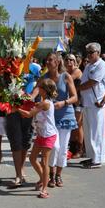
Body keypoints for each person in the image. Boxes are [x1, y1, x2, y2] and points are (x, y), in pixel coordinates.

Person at [33, 52, 77, 188]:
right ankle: (50, 174)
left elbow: (75, 97)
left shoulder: (66, 77)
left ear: (57, 62)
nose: (47, 62)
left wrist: (64, 103)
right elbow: (34, 93)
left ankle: (58, 175)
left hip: (65, 117)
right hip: (50, 120)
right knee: (54, 147)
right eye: (46, 60)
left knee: (63, 148)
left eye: (50, 60)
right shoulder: (43, 78)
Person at [17, 78, 58, 199]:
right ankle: (43, 178)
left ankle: (44, 189)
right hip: (41, 134)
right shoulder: (42, 101)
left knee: (44, 162)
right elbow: (32, 106)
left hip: (48, 135)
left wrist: (15, 109)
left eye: (39, 87)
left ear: (44, 90)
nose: (37, 89)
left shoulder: (45, 103)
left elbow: (29, 114)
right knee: (32, 158)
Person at [78, 42, 105, 169]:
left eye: (91, 52)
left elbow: (92, 82)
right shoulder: (88, 66)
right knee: (88, 131)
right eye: (88, 52)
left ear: (98, 53)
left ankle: (97, 159)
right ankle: (92, 156)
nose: (89, 55)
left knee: (96, 132)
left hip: (97, 103)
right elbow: (84, 81)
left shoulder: (102, 65)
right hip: (87, 102)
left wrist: (76, 88)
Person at [64, 53, 84, 159]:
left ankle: (79, 150)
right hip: (70, 101)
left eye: (71, 59)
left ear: (75, 61)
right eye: (66, 59)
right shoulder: (65, 71)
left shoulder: (77, 71)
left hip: (79, 101)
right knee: (72, 126)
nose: (69, 61)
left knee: (78, 126)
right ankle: (72, 149)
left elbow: (67, 80)